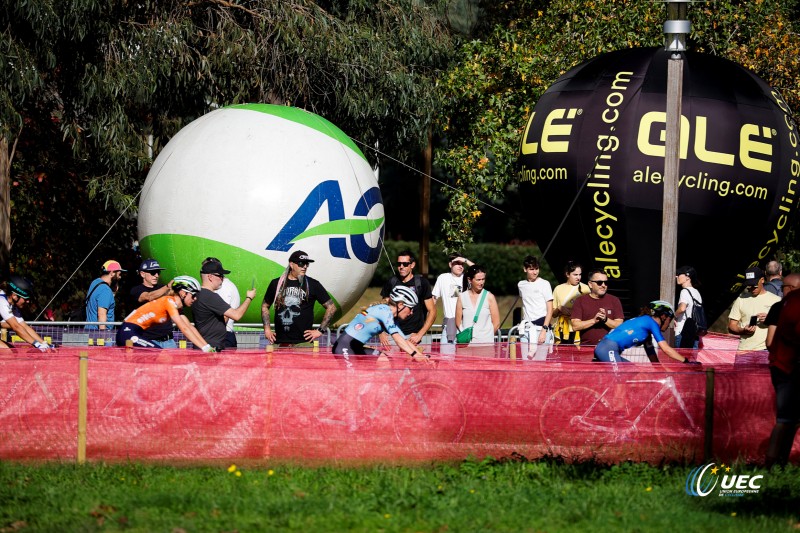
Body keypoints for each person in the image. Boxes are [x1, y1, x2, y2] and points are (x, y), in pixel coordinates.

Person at [332, 286, 429, 366]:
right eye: (410, 308)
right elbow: (397, 339)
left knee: (387, 362)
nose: (411, 312)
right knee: (352, 383)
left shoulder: (392, 318)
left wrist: (423, 357)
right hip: (344, 347)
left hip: (356, 348)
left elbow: (405, 341)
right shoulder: (384, 311)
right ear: (400, 305)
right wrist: (415, 355)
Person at [116, 276, 215, 352]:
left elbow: (189, 326)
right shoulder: (169, 302)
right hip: (127, 332)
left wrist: (207, 346)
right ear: (182, 293)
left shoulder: (175, 306)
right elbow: (183, 329)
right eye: (193, 295)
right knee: (160, 355)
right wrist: (205, 349)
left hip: (132, 332)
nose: (195, 298)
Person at [261, 250, 337, 346]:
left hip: (303, 343)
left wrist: (320, 330)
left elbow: (331, 307)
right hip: (279, 342)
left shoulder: (313, 284)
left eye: (307, 264)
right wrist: (267, 329)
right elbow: (265, 306)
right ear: (292, 264)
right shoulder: (276, 284)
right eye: (301, 264)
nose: (305, 266)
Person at [594, 301, 698, 364]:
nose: (669, 324)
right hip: (608, 348)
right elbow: (666, 349)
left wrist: (661, 372)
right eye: (670, 320)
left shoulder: (646, 333)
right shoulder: (650, 322)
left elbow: (653, 358)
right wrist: (686, 361)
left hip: (608, 348)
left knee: (635, 372)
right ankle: (617, 401)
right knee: (620, 381)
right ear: (663, 316)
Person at [765, 286, 800, 467]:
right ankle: (772, 465)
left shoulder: (788, 301)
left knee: (791, 421)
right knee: (785, 420)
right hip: (788, 367)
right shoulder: (795, 301)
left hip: (785, 364)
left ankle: (781, 462)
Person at [193, 258, 257, 351]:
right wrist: (249, 298)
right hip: (211, 347)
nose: (222, 279)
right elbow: (236, 315)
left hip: (204, 345)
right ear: (210, 277)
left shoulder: (198, 294)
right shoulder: (210, 296)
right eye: (220, 275)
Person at [380, 249, 436, 345]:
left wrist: (420, 334)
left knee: (417, 360)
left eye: (405, 264)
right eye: (399, 264)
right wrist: (381, 332)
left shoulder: (422, 283)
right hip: (392, 335)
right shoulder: (392, 282)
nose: (401, 267)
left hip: (414, 337)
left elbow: (432, 311)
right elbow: (382, 310)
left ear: (412, 265)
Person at [728, 266, 781, 351]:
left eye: (755, 285)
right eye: (749, 285)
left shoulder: (777, 300)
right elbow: (731, 326)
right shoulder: (741, 299)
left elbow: (787, 326)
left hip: (766, 351)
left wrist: (770, 320)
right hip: (744, 350)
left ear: (762, 280)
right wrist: (743, 330)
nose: (752, 288)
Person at [0, 275, 55, 352]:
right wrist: (37, 345)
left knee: (13, 352)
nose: (28, 302)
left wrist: (44, 343)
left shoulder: (12, 304)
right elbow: (16, 327)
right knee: (9, 352)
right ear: (14, 296)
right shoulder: (2, 301)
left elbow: (24, 326)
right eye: (26, 299)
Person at [128, 258, 174, 348]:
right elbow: (149, 296)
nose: (156, 275)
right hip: (149, 341)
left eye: (158, 272)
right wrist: (168, 286)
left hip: (169, 341)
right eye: (153, 273)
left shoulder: (163, 288)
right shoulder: (136, 290)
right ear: (142, 274)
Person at [571, 269, 624, 346]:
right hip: (587, 349)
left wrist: (605, 319)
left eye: (606, 283)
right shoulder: (580, 301)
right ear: (590, 284)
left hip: (610, 348)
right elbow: (575, 326)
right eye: (599, 282)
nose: (603, 285)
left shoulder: (614, 300)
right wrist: (593, 321)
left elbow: (619, 325)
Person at [516, 255, 554, 358]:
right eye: (531, 269)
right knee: (526, 361)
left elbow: (550, 309)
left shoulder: (545, 284)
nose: (535, 272)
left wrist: (544, 330)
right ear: (525, 269)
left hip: (540, 327)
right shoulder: (521, 285)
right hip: (526, 329)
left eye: (536, 269)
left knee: (539, 363)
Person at [432, 253, 474, 345]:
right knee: (446, 356)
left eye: (462, 264)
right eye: (457, 263)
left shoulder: (467, 278)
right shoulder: (443, 278)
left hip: (465, 324)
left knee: (463, 357)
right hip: (449, 324)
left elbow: (478, 272)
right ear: (450, 264)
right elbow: (433, 300)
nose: (460, 266)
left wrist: (465, 260)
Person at [455, 265, 500, 345]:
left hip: (485, 345)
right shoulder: (462, 297)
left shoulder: (489, 297)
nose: (481, 282)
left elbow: (496, 323)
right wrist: (465, 336)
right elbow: (458, 322)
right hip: (466, 344)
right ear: (470, 280)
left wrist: (486, 337)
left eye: (483, 279)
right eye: (478, 280)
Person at [203, 257, 241, 348]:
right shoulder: (222, 286)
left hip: (222, 337)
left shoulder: (223, 287)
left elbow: (225, 315)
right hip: (222, 335)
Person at [551, 261, 589, 344]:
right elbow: (553, 314)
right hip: (561, 328)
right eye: (575, 275)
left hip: (579, 328)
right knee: (562, 355)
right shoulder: (558, 289)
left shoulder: (586, 289)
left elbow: (589, 312)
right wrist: (559, 308)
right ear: (567, 274)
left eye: (580, 274)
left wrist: (574, 312)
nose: (578, 277)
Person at [86, 260, 126, 330]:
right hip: (99, 334)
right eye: (119, 274)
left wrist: (113, 293)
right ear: (112, 273)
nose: (120, 277)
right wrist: (103, 335)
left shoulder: (95, 282)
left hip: (89, 330)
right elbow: (101, 314)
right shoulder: (105, 290)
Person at [765, 273, 800, 349]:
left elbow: (770, 342)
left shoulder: (778, 307)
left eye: (782, 287)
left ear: (790, 288)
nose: (781, 290)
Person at [673, 265, 703, 349]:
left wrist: (673, 317)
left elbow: (682, 308)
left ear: (687, 277)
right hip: (694, 334)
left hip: (682, 332)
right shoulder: (696, 292)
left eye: (679, 274)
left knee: (681, 360)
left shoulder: (685, 291)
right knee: (691, 361)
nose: (676, 276)